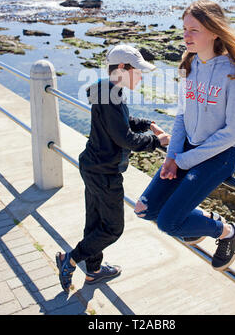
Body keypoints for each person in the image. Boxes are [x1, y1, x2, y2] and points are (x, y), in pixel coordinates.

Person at [134, 0, 235, 272]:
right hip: (186, 152)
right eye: (184, 29)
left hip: (219, 157)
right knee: (144, 209)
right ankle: (203, 222)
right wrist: (172, 157)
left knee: (168, 223)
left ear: (214, 31)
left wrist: (184, 161)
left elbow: (234, 132)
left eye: (194, 30)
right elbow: (181, 117)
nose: (186, 36)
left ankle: (228, 232)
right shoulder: (189, 66)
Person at [56, 44, 170, 292]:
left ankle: (94, 271)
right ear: (122, 68)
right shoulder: (112, 94)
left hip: (92, 165)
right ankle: (71, 259)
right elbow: (124, 139)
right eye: (137, 71)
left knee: (95, 223)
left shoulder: (106, 90)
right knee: (113, 228)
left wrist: (148, 124)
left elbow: (120, 123)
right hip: (105, 172)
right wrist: (157, 141)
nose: (140, 76)